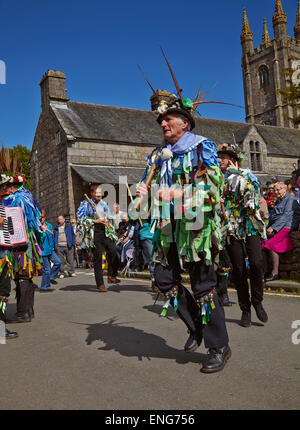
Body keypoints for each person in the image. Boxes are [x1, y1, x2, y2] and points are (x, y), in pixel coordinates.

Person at [133, 87, 231, 373]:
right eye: (161, 121)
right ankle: (196, 328)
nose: (163, 124)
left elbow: (213, 191)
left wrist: (176, 195)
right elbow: (150, 193)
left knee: (204, 287)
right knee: (164, 280)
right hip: (167, 228)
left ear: (185, 122)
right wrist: (145, 191)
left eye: (169, 119)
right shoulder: (157, 155)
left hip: (195, 227)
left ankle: (218, 346)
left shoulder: (202, 147)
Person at [218, 144, 268, 328]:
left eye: (222, 158)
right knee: (238, 269)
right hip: (231, 227)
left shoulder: (247, 174)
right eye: (219, 158)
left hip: (250, 224)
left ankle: (257, 301)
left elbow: (256, 188)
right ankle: (245, 308)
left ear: (232, 159)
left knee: (256, 263)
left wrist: (238, 173)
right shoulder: (219, 179)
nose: (220, 161)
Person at [3, 174, 43, 324]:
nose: (6, 189)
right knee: (26, 275)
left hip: (20, 241)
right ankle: (28, 310)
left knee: (22, 275)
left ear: (13, 186)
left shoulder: (16, 198)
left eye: (7, 187)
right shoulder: (28, 196)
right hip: (27, 241)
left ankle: (23, 312)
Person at [77, 184, 119, 292]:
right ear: (92, 193)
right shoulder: (85, 204)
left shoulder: (104, 204)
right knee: (98, 258)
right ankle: (100, 284)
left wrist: (108, 218)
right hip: (94, 233)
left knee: (113, 251)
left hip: (105, 232)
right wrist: (94, 221)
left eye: (100, 193)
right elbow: (80, 220)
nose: (99, 195)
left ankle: (111, 275)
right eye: (97, 193)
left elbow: (109, 216)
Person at [262, 182, 300, 281]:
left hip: (287, 226)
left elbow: (286, 216)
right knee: (262, 245)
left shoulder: (290, 200)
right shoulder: (279, 200)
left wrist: (273, 228)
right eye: (275, 190)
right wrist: (267, 227)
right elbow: (273, 216)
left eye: (278, 189)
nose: (276, 192)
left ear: (285, 189)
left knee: (271, 244)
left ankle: (275, 272)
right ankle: (265, 271)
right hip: (278, 225)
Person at [0, 174, 18, 339]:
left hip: (3, 255)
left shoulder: (4, 206)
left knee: (4, 290)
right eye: (5, 187)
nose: (7, 189)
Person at [40, 210, 62, 292]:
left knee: (58, 262)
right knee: (46, 269)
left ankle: (51, 277)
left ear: (45, 217)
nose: (40, 218)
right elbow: (39, 239)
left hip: (50, 249)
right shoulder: (37, 227)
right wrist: (43, 232)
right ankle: (44, 287)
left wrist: (53, 247)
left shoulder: (49, 225)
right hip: (42, 251)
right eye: (39, 217)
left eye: (42, 217)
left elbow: (51, 237)